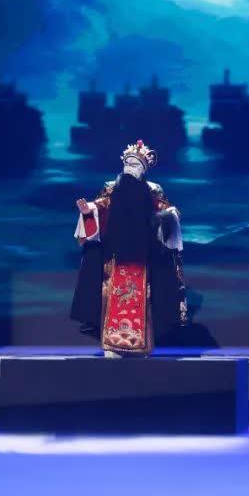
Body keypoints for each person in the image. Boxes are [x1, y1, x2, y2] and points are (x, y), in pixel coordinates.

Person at [70, 140, 187, 357]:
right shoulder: (111, 188)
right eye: (127, 163)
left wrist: (170, 215)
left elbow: (167, 213)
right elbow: (101, 207)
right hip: (115, 255)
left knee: (145, 298)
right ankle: (111, 345)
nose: (130, 168)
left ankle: (143, 345)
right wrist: (89, 212)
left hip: (144, 256)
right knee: (110, 294)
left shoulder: (154, 190)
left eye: (135, 164)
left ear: (143, 168)